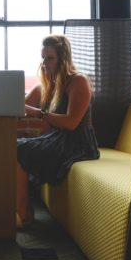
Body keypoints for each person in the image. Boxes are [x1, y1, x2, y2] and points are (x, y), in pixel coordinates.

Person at [16, 35, 100, 227]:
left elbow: (71, 123)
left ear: (63, 58)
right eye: (43, 57)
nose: (44, 63)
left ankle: (24, 212)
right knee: (12, 147)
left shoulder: (78, 81)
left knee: (18, 149)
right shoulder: (45, 85)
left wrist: (38, 113)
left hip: (78, 142)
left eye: (50, 58)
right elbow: (18, 108)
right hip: (56, 138)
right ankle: (20, 208)